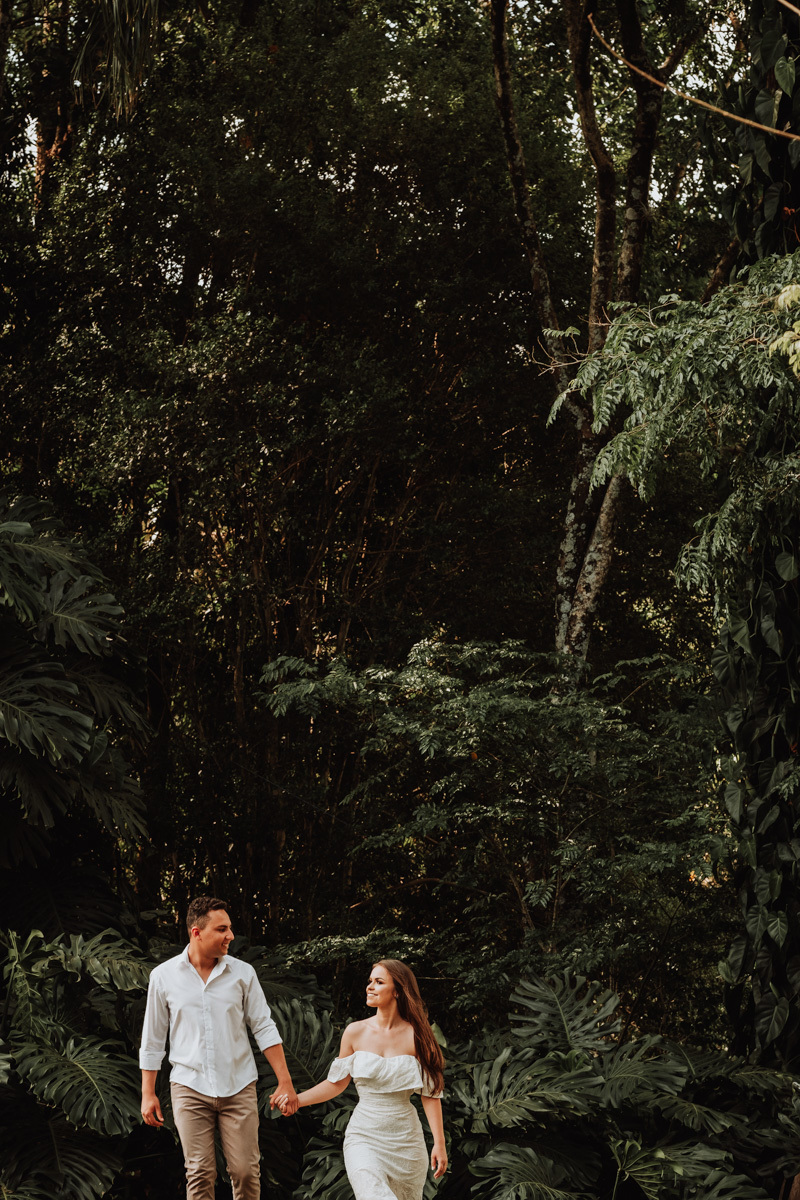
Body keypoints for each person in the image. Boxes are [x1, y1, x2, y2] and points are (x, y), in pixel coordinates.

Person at [139, 895, 298, 1200]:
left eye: (230, 928)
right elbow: (153, 1038)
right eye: (222, 929)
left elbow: (263, 1026)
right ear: (196, 932)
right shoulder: (163, 977)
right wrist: (148, 1092)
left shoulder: (242, 974)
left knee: (245, 1172)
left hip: (238, 1085)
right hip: (188, 1085)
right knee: (199, 1172)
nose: (230, 936)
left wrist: (285, 1080)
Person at [274, 958, 446, 1200]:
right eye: (370, 981)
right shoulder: (355, 1032)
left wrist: (439, 1143)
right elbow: (337, 1082)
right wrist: (297, 1101)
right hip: (364, 1137)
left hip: (407, 1144)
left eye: (379, 982)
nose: (370, 986)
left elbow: (431, 1093)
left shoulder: (418, 1036)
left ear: (397, 990)